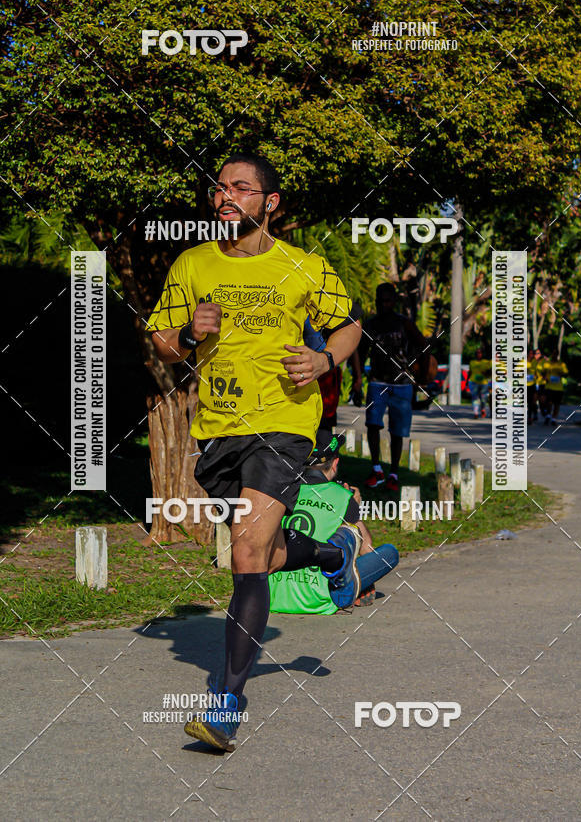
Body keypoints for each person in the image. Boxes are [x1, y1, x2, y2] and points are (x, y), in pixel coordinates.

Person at [146, 153, 362, 751]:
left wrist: (324, 359)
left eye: (240, 188)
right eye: (219, 187)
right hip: (217, 429)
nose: (225, 196)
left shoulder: (304, 266)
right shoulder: (192, 263)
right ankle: (327, 551)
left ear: (270, 203)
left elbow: (348, 326)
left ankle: (226, 705)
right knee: (262, 556)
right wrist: (189, 334)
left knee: (244, 552)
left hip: (286, 424)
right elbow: (163, 342)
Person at [269, 431, 400, 614]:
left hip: (274, 597)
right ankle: (350, 588)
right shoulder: (343, 497)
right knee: (390, 553)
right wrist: (355, 507)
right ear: (335, 464)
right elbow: (366, 549)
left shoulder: (280, 489)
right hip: (321, 599)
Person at [358, 282, 436, 492]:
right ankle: (376, 469)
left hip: (402, 384)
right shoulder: (370, 325)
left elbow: (424, 347)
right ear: (376, 301)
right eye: (380, 301)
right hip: (377, 381)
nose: (384, 304)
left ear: (394, 301)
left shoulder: (405, 324)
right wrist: (357, 380)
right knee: (372, 425)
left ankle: (393, 472)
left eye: (388, 300)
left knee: (397, 431)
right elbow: (360, 353)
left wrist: (423, 377)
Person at [540, 349, 569, 425]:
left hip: (558, 387)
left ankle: (553, 418)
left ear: (557, 355)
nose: (554, 355)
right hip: (549, 386)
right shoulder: (547, 363)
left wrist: (562, 374)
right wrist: (544, 377)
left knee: (556, 404)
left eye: (556, 354)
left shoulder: (561, 364)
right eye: (553, 353)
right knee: (547, 402)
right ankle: (548, 415)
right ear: (551, 354)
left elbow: (566, 374)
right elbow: (542, 372)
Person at [468, 347, 492, 418]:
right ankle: (476, 412)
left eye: (480, 353)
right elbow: (470, 372)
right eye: (477, 353)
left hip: (483, 383)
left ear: (482, 354)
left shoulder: (486, 362)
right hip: (473, 382)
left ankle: (483, 409)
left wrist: (486, 373)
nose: (478, 354)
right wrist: (467, 382)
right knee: (475, 397)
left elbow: (490, 372)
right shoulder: (472, 362)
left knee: (483, 398)